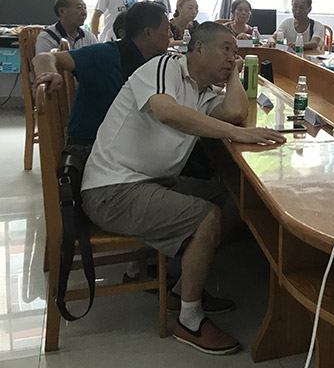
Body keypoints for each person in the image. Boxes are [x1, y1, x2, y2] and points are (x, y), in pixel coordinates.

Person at [80, 22, 285, 354]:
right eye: (225, 49)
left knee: (235, 199)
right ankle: (189, 321)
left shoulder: (202, 91)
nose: (231, 57)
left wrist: (234, 72)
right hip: (113, 189)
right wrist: (238, 134)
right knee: (207, 217)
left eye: (235, 52)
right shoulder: (165, 67)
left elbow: (235, 111)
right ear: (199, 48)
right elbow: (167, 112)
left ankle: (180, 292)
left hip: (153, 183)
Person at [33, 1, 172, 145]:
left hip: (122, 139)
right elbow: (43, 57)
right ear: (148, 32)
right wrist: (50, 73)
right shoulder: (105, 54)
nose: (171, 34)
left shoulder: (154, 59)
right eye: (167, 29)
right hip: (90, 146)